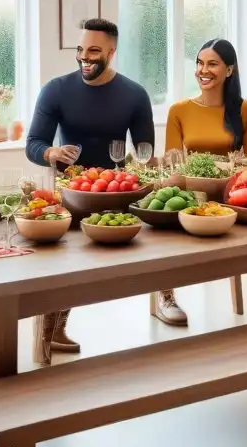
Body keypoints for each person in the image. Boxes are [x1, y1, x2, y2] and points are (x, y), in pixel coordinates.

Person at [25, 18, 155, 358]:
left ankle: (164, 296)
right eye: (80, 49)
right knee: (62, 265)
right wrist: (51, 152)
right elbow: (34, 143)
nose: (84, 56)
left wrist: (141, 166)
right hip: (71, 193)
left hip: (117, 193)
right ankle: (49, 330)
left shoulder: (135, 95)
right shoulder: (55, 89)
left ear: (111, 52)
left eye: (94, 50)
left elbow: (145, 152)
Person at [156, 38, 247, 325]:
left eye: (212, 64)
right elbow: (173, 166)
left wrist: (217, 176)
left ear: (229, 70)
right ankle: (165, 295)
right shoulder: (180, 110)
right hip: (189, 197)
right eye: (200, 63)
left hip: (230, 198)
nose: (204, 70)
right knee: (164, 211)